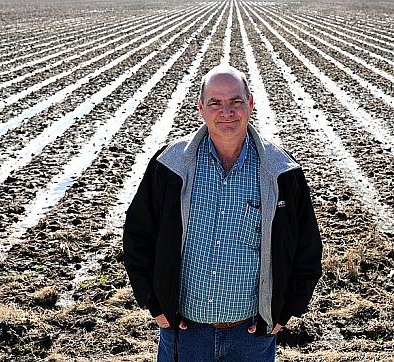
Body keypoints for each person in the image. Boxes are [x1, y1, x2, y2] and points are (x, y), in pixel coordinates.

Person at [123, 64, 322, 361]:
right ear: (201, 108)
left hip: (251, 338)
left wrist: (285, 311)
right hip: (184, 334)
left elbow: (307, 248)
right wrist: (155, 305)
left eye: (235, 101)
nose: (226, 111)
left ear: (251, 103)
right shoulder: (170, 166)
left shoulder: (281, 172)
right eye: (215, 102)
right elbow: (138, 234)